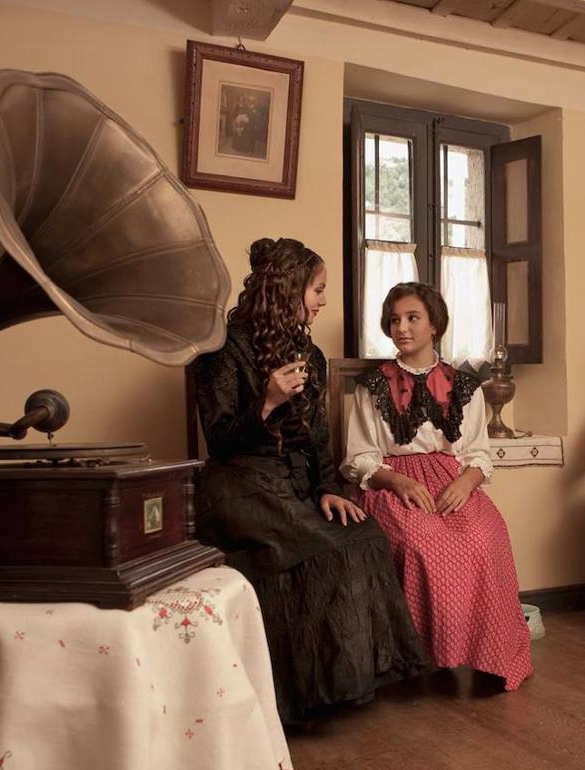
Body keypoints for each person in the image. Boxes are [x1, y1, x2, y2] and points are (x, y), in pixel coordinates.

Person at [192, 237, 426, 724]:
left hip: (294, 485)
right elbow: (218, 440)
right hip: (238, 486)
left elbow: (318, 438)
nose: (322, 299)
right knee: (324, 550)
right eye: (317, 288)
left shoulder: (310, 355)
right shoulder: (221, 350)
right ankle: (298, 699)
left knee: (364, 538)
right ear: (288, 288)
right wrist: (268, 403)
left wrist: (327, 489)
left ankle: (342, 687)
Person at [341, 282, 533, 690]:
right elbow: (359, 458)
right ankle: (434, 659)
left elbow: (478, 453)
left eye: (413, 318)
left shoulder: (464, 387)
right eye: (394, 320)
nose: (402, 328)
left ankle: (489, 657)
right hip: (393, 486)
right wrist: (395, 479)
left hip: (453, 482)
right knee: (426, 545)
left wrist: (467, 480)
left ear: (435, 325)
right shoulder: (372, 387)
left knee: (485, 537)